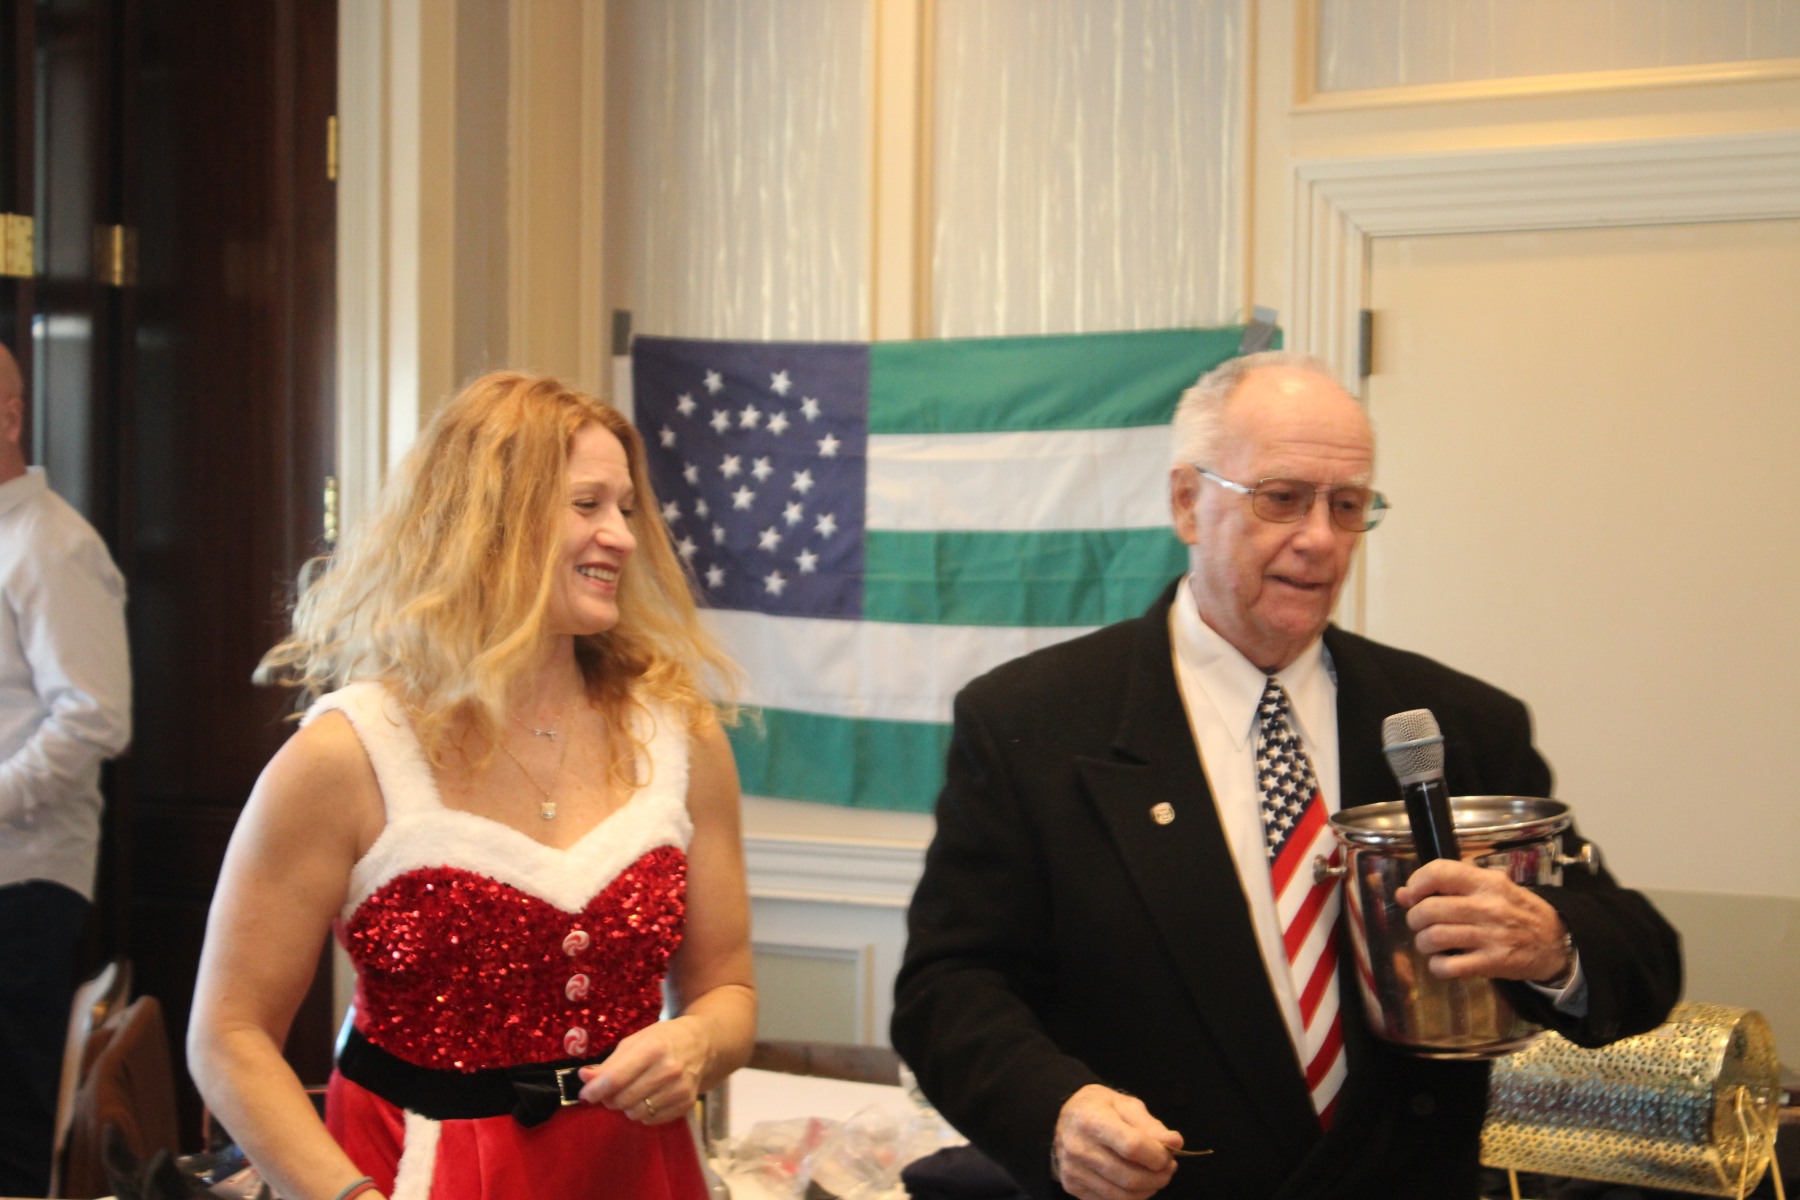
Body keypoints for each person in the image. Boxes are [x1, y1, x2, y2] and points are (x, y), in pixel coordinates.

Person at [890, 351, 1681, 1200]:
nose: (1319, 539)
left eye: (1347, 506)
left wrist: (1552, 944)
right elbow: (951, 989)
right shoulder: (1034, 723)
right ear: (1187, 502)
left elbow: (1642, 958)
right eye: (1281, 498)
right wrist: (1054, 1113)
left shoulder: (1450, 721)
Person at [189, 372, 756, 1200]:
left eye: (627, 509)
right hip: (413, 1170)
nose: (623, 537)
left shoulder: (680, 735)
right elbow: (228, 1036)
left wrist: (697, 1043)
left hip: (639, 1170)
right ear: (488, 520)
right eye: (588, 505)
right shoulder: (350, 755)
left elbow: (728, 990)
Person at [0, 342, 133, 1196]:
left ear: (9, 417)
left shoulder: (51, 543)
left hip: (24, 882)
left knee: (11, 1134)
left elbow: (94, 717)